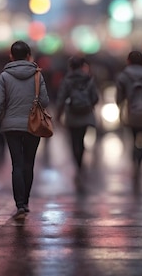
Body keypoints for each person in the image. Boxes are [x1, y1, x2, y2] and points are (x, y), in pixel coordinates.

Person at [0, 41, 50, 219]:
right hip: (34, 125)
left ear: (11, 56)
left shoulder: (4, 77)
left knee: (17, 164)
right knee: (29, 163)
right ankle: (26, 201)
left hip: (11, 126)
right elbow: (45, 101)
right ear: (29, 56)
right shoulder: (38, 75)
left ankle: (20, 205)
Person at [55, 56, 99, 188]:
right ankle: (81, 164)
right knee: (81, 140)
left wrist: (58, 115)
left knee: (74, 141)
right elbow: (95, 97)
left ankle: (77, 165)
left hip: (72, 115)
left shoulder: (67, 80)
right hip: (85, 115)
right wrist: (89, 105)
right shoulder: (88, 79)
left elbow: (61, 98)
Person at [116, 51, 142, 178]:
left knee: (133, 137)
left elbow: (119, 97)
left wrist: (121, 108)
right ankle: (140, 158)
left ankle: (134, 157)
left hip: (131, 112)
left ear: (128, 61)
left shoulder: (123, 76)